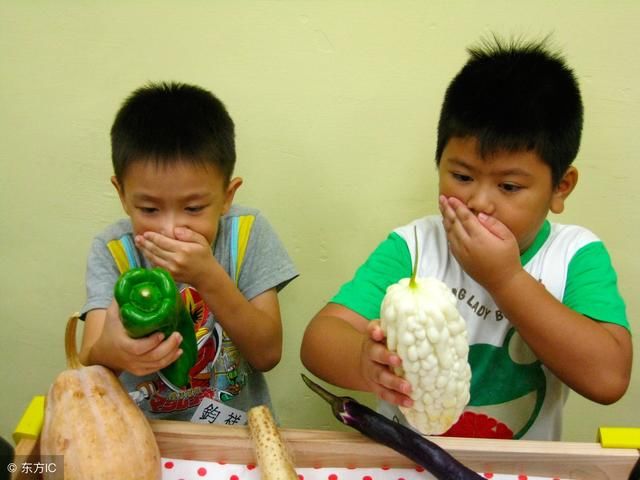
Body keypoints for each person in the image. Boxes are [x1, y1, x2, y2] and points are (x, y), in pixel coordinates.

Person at [300, 38, 632, 441]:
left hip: (519, 469)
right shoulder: (415, 246)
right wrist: (363, 364)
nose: (478, 202)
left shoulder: (575, 255)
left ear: (560, 188)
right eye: (461, 177)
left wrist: (506, 279)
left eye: (509, 186)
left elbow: (609, 378)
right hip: (411, 460)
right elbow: (319, 340)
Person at [79, 82, 298, 423]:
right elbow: (90, 361)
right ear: (122, 195)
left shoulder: (247, 233)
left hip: (237, 435)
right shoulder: (114, 251)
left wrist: (207, 275)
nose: (170, 229)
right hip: (146, 435)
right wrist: (116, 349)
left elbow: (267, 353)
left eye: (193, 208)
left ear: (227, 195)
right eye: (149, 209)